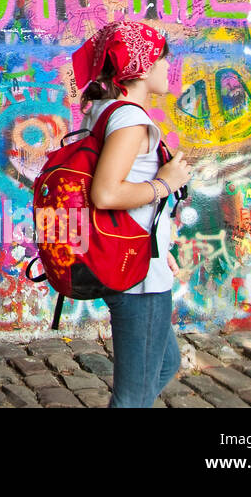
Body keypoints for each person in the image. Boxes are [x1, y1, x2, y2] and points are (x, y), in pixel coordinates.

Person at [72, 22, 193, 408]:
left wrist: (156, 241)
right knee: (133, 399)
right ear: (140, 67)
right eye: (162, 58)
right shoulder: (130, 120)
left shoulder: (108, 110)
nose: (167, 67)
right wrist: (166, 182)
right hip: (138, 281)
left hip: (133, 259)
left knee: (166, 363)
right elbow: (105, 194)